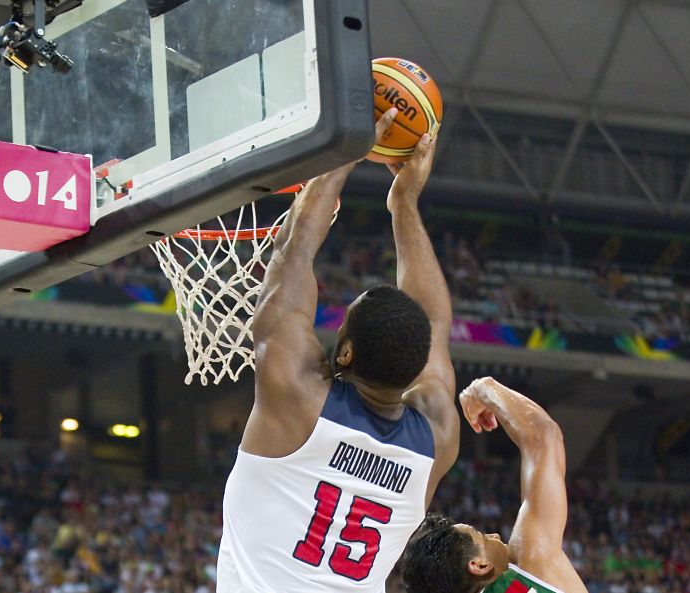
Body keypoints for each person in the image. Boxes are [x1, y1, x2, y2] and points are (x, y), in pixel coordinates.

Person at [216, 109, 460, 593]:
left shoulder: (298, 396)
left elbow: (294, 252)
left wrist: (347, 150)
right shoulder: (436, 437)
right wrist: (404, 202)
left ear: (344, 354)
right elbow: (434, 320)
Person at [401, 377, 588, 593]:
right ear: (479, 565)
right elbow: (543, 436)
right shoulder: (528, 566)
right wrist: (484, 388)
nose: (495, 536)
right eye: (482, 537)